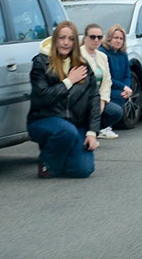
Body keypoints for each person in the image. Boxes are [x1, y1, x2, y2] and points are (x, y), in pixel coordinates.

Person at [27, 21, 100, 178]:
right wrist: (69, 81)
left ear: (75, 42)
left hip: (75, 124)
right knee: (65, 132)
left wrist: (92, 132)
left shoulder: (82, 64)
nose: (66, 42)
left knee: (83, 170)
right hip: (44, 119)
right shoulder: (41, 62)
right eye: (62, 38)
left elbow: (94, 97)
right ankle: (47, 165)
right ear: (55, 40)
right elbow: (42, 97)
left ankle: (61, 152)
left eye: (71, 39)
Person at [80, 23, 124, 138]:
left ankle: (91, 131)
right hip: (81, 98)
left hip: (98, 97)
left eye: (99, 37)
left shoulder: (102, 56)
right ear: (85, 38)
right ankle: (81, 132)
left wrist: (102, 100)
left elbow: (107, 81)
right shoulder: (78, 55)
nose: (96, 40)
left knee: (116, 112)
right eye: (92, 37)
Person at [101, 24, 134, 134]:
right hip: (105, 88)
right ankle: (104, 127)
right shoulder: (103, 53)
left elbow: (127, 74)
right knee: (118, 96)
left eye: (121, 38)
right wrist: (123, 87)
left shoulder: (123, 54)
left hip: (118, 87)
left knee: (122, 95)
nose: (119, 41)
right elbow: (106, 77)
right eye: (116, 38)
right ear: (109, 39)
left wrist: (127, 88)